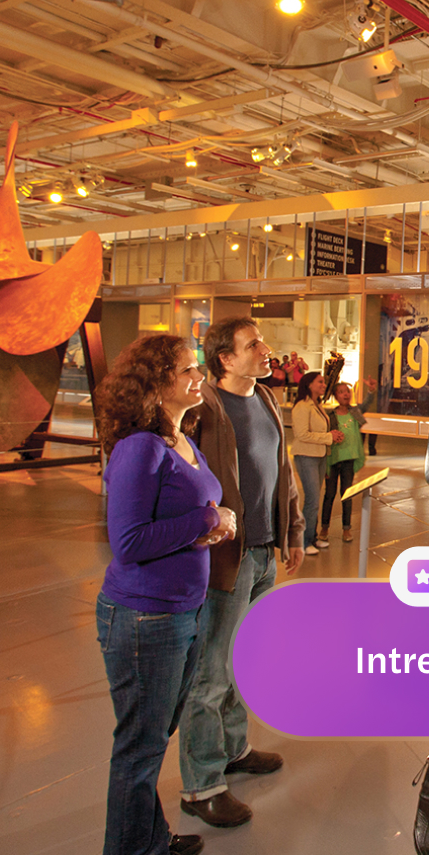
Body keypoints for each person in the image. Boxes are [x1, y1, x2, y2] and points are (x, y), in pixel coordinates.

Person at [94, 334, 237, 855]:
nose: (197, 376)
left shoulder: (180, 437)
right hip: (143, 618)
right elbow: (128, 543)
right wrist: (205, 519)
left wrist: (210, 527)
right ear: (156, 383)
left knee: (152, 740)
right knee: (139, 748)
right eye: (186, 370)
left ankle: (148, 838)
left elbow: (178, 516)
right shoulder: (140, 448)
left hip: (182, 611)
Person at [176, 317, 306, 829]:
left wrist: (292, 529)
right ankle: (201, 785)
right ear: (224, 359)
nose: (266, 350)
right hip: (223, 561)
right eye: (253, 345)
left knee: (240, 661)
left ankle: (232, 750)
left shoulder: (266, 399)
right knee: (210, 673)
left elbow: (282, 470)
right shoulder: (202, 408)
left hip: (261, 552)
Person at [290, 370, 341, 553]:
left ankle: (312, 537)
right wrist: (328, 437)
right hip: (306, 456)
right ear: (309, 384)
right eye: (319, 382)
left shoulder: (316, 405)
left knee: (315, 500)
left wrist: (331, 438)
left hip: (319, 456)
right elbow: (302, 435)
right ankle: (304, 542)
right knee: (311, 500)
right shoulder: (302, 407)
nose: (323, 385)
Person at [321, 382, 367, 544]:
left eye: (347, 391)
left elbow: (366, 405)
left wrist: (372, 391)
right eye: (341, 392)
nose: (345, 394)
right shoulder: (330, 416)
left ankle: (346, 528)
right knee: (329, 494)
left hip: (348, 460)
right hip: (333, 460)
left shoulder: (355, 413)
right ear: (336, 396)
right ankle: (324, 527)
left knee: (346, 495)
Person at [360, 375, 380, 455]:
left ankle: (371, 449)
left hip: (373, 413)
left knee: (372, 430)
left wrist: (371, 391)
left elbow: (365, 405)